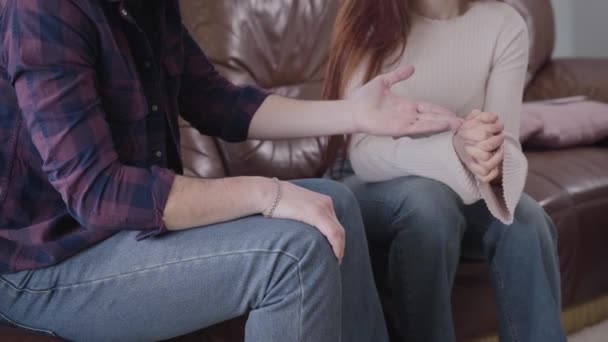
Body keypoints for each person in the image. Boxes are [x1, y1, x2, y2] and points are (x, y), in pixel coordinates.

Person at [0, 0, 461, 341]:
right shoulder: (44, 11)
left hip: (129, 233)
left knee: (332, 201)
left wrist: (354, 114)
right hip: (50, 266)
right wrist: (268, 192)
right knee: (292, 253)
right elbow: (99, 194)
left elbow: (218, 103)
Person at [323, 0, 566, 341]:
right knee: (428, 204)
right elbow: (364, 153)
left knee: (526, 218)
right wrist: (452, 150)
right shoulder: (371, 17)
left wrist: (486, 153)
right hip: (366, 179)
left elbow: (505, 149)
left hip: (458, 182)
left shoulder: (505, 24)